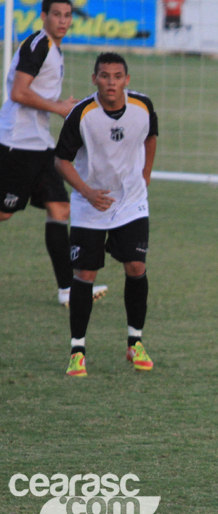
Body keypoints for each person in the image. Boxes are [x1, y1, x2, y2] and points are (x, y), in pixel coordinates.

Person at [54, 53, 158, 377]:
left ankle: (135, 342)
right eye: (104, 76)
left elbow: (151, 136)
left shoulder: (142, 107)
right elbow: (61, 160)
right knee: (85, 275)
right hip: (90, 205)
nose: (110, 82)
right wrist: (85, 192)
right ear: (94, 78)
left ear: (127, 80)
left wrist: (145, 174)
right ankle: (77, 350)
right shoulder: (82, 114)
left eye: (117, 76)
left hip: (130, 202)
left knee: (136, 265)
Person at [0, 0, 107, 306]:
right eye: (56, 15)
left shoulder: (52, 47)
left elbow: (35, 92)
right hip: (17, 143)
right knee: (5, 212)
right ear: (43, 16)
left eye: (67, 15)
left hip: (40, 144)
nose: (63, 21)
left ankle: (67, 289)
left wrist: (60, 102)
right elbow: (18, 92)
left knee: (60, 209)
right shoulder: (39, 45)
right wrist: (59, 107)